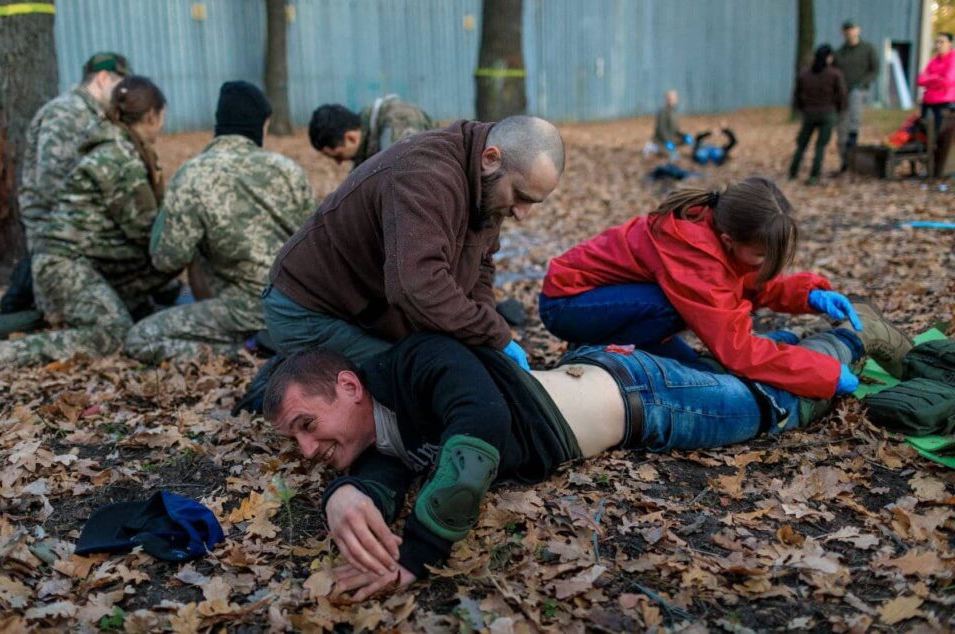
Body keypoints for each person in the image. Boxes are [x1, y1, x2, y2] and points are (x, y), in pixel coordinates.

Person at [263, 300, 911, 601]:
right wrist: (345, 496)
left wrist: (419, 550)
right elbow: (381, 470)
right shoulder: (379, 428)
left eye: (307, 425)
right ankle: (792, 341)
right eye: (297, 440)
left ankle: (852, 338)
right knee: (735, 377)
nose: (308, 448)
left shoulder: (420, 360)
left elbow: (481, 425)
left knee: (774, 406)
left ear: (349, 386)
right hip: (608, 377)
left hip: (645, 396)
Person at [538, 178, 911, 401]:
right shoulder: (697, 255)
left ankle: (618, 343)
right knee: (672, 313)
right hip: (567, 304)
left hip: (605, 298)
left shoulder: (718, 231)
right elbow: (739, 351)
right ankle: (599, 347)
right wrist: (825, 373)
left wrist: (807, 294)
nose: (765, 265)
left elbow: (745, 279)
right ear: (731, 240)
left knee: (697, 366)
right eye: (762, 255)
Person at [265, 116, 564, 368]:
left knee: (461, 366)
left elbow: (481, 263)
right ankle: (283, 378)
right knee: (421, 380)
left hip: (372, 310)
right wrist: (494, 334)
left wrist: (487, 337)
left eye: (533, 202)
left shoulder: (488, 184)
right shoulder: (423, 175)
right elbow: (416, 286)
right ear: (490, 159)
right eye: (521, 196)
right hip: (311, 311)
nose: (522, 214)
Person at [0, 76, 173, 376]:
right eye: (163, 117)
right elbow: (146, 233)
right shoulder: (119, 159)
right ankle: (1, 354)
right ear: (152, 116)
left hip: (78, 260)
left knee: (156, 283)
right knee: (113, 333)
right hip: (65, 264)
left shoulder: (116, 147)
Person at [124, 82, 317, 363]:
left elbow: (167, 259)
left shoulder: (192, 175)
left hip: (242, 307)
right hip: (296, 304)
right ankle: (267, 340)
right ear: (263, 124)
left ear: (220, 123)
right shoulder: (288, 170)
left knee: (140, 338)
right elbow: (316, 242)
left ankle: (246, 350)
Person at [0, 53, 132, 319]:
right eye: (120, 86)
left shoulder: (90, 113)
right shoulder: (66, 113)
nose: (122, 95)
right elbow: (52, 186)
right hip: (57, 234)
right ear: (103, 78)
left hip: (73, 229)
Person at [308, 96, 434, 168]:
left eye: (338, 155)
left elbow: (409, 182)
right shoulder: (366, 141)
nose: (339, 162)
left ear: (351, 138)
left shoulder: (399, 124)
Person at [789, 44, 847, 185]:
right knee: (820, 146)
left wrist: (801, 109)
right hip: (828, 114)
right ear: (829, 58)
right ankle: (814, 176)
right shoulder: (835, 74)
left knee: (802, 144)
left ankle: (792, 172)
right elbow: (842, 95)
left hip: (809, 114)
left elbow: (797, 95)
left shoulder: (804, 74)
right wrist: (840, 110)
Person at [833, 20, 879, 174]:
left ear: (857, 30)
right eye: (846, 30)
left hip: (858, 91)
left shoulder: (868, 49)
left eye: (851, 29)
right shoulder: (840, 52)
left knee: (853, 124)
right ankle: (844, 161)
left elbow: (875, 70)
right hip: (842, 93)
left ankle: (853, 159)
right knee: (841, 128)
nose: (849, 32)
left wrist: (862, 83)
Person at [915, 32, 955, 135]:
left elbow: (948, 81)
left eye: (942, 42)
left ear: (950, 44)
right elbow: (920, 80)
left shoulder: (952, 60)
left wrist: (930, 80)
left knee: (940, 133)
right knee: (922, 130)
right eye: (937, 42)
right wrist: (937, 78)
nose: (938, 45)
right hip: (928, 101)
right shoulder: (934, 60)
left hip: (944, 102)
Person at [652, 90, 693, 155]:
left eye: (673, 98)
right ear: (666, 100)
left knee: (689, 142)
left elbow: (676, 130)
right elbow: (661, 129)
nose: (671, 100)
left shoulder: (674, 112)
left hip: (672, 138)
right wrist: (666, 140)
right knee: (668, 154)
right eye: (669, 99)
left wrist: (683, 135)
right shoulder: (663, 112)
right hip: (662, 140)